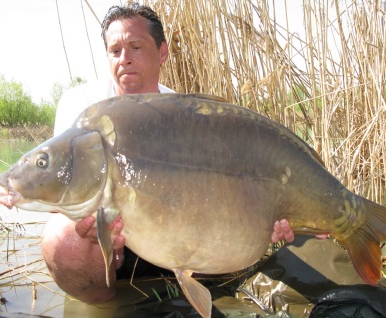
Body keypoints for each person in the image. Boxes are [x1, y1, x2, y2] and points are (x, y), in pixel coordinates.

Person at [41, 3, 298, 305]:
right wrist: (94, 227)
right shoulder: (83, 105)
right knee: (62, 240)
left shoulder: (184, 114)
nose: (125, 59)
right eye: (115, 51)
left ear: (162, 52)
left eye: (136, 47)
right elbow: (59, 196)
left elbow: (218, 189)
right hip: (105, 238)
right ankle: (108, 307)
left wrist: (263, 218)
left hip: (171, 234)